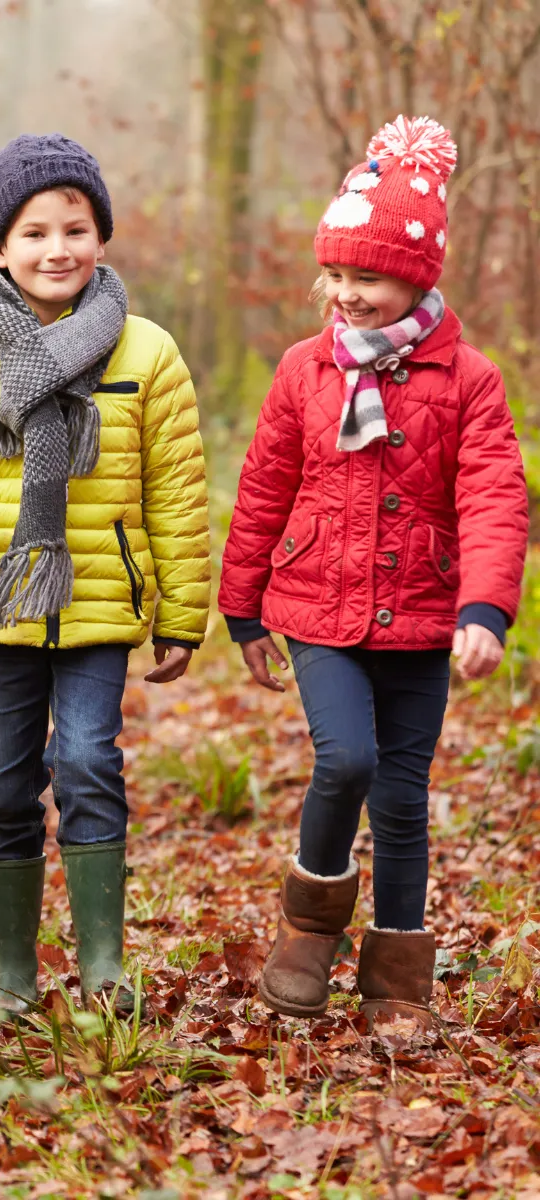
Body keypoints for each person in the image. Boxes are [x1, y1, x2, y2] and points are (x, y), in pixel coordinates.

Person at [219, 116, 529, 1029]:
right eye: (340, 277)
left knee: (402, 797)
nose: (350, 296)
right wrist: (242, 608)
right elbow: (266, 482)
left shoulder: (469, 379)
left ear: (418, 275)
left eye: (371, 277)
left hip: (426, 614)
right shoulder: (303, 371)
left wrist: (484, 606)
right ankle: (308, 930)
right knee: (346, 758)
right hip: (319, 608)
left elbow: (494, 494)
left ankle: (397, 975)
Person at [0, 134, 211, 1018]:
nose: (56, 249)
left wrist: (183, 615)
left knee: (84, 763)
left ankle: (103, 966)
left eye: (75, 228)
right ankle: (12, 974)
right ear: (0, 247)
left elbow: (178, 491)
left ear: (101, 238)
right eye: (34, 233)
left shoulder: (145, 352)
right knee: (1, 783)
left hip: (100, 605)